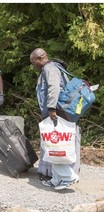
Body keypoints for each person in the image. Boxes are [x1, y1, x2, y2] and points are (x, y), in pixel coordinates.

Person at [30, 48, 79, 190]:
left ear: (40, 58)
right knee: (53, 145)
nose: (34, 66)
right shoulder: (53, 67)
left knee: (56, 145)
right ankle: (56, 179)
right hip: (58, 111)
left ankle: (68, 176)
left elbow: (54, 88)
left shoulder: (49, 68)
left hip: (56, 112)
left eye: (34, 62)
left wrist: (51, 109)